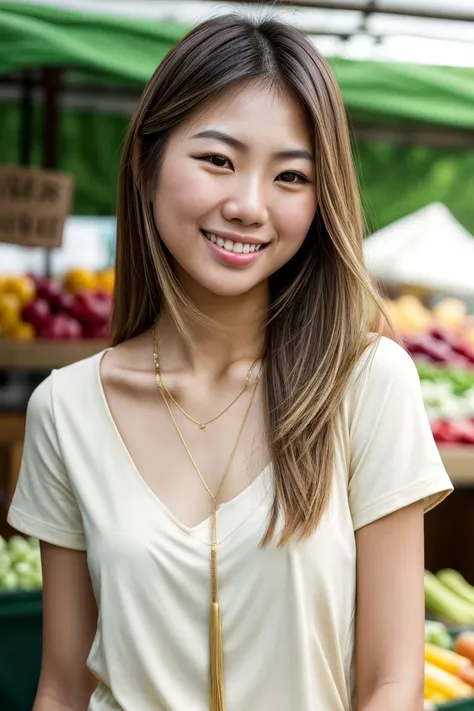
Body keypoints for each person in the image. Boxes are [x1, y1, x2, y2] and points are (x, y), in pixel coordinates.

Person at [8, 14, 452, 711]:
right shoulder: (67, 409)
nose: (248, 205)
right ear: (147, 164)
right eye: (218, 159)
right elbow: (64, 684)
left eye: (291, 175)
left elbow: (392, 681)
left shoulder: (366, 386)